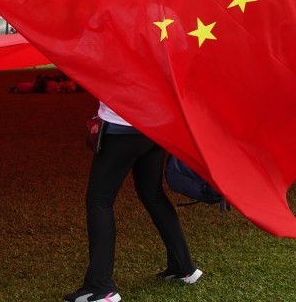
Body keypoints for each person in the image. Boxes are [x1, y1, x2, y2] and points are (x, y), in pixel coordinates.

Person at [64, 102, 201, 302]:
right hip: (155, 123)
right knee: (151, 194)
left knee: (99, 200)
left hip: (123, 125)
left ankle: (100, 288)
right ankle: (183, 267)